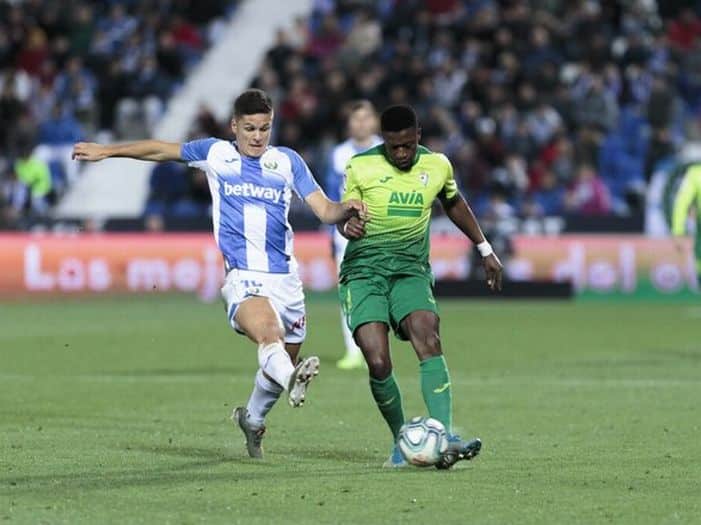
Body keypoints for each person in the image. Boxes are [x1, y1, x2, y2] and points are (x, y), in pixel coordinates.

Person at [72, 88, 368, 459]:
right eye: (249, 129)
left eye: (264, 128)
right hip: (243, 276)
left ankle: (253, 419)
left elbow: (325, 210)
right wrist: (108, 150)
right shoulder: (216, 153)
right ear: (234, 126)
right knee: (268, 336)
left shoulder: (288, 162)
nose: (257, 137)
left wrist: (347, 210)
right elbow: (160, 150)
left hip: (287, 280)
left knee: (278, 360)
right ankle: (292, 378)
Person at [338, 105, 503, 468]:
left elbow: (454, 202)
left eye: (408, 146)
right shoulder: (360, 166)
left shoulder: (438, 165)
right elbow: (345, 215)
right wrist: (346, 226)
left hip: (410, 270)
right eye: (394, 147)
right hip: (365, 272)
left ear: (418, 136)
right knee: (378, 360)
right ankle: (402, 442)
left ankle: (443, 437)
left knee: (428, 335)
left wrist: (484, 248)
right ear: (384, 141)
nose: (401, 154)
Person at [323, 100, 381, 370]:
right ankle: (354, 350)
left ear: (374, 121)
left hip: (382, 233)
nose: (360, 124)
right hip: (346, 234)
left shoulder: (386, 151)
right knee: (348, 294)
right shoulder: (339, 155)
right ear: (349, 123)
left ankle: (377, 345)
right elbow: (332, 197)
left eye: (365, 118)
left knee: (380, 292)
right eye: (355, 119)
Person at [671, 163, 701, 285]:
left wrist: (678, 232)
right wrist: (678, 231)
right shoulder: (695, 174)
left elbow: (681, 203)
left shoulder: (695, 173)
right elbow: (681, 203)